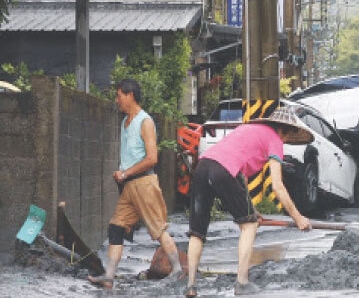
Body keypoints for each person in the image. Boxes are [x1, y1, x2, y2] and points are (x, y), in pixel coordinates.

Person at [184, 107, 313, 297]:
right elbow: (277, 185)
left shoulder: (248, 129)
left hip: (203, 167)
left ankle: (191, 286)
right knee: (249, 225)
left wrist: (250, 209)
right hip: (224, 170)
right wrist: (298, 217)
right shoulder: (275, 140)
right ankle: (242, 282)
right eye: (289, 137)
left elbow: (239, 178)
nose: (286, 142)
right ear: (287, 130)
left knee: (197, 232)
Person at [88, 78, 184, 288]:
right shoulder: (125, 122)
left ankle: (177, 270)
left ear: (130, 95)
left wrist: (126, 173)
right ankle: (109, 277)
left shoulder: (145, 121)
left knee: (158, 228)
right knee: (116, 228)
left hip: (144, 183)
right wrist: (123, 174)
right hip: (130, 186)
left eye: (119, 95)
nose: (117, 100)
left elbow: (152, 158)